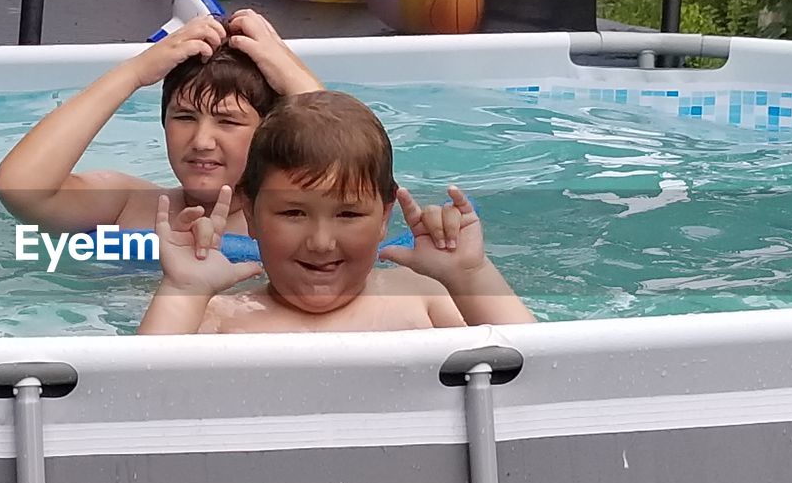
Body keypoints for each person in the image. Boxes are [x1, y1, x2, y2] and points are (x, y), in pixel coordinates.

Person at [137, 90, 536, 334]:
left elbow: (540, 375)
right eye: (293, 213)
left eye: (347, 215)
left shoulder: (423, 298)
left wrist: (469, 276)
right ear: (252, 217)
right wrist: (184, 290)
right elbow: (132, 406)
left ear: (384, 217)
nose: (321, 242)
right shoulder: (220, 319)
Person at [0, 9, 323, 236]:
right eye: (184, 117)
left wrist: (296, 79)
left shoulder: (294, 216)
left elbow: (358, 183)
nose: (202, 140)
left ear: (269, 132)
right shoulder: (129, 207)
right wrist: (133, 73)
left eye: (228, 122)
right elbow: (20, 189)